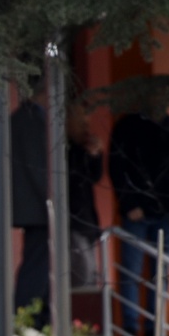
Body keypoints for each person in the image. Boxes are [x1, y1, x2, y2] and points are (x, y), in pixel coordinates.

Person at [109, 85, 169, 336]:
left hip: (166, 211)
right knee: (131, 271)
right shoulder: (127, 127)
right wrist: (128, 203)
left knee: (162, 272)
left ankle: (153, 328)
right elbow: (117, 167)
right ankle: (131, 327)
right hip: (136, 212)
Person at [10, 79, 50, 329]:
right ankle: (27, 316)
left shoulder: (23, 117)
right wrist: (51, 199)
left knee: (40, 262)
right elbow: (38, 166)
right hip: (38, 208)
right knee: (38, 262)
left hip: (34, 207)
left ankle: (36, 315)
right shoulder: (31, 119)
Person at [67, 99, 106, 292]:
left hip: (87, 222)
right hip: (73, 222)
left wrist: (96, 156)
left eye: (87, 123)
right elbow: (72, 177)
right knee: (84, 274)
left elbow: (94, 176)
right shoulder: (64, 150)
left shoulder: (81, 149)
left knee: (91, 273)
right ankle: (81, 319)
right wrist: (85, 155)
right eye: (81, 123)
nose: (86, 128)